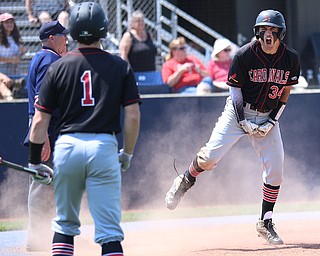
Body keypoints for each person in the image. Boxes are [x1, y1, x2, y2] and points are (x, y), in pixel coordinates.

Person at [165, 9, 300, 245]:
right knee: (209, 158)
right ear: (257, 32)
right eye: (263, 30)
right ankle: (186, 179)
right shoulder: (244, 54)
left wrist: (272, 120)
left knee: (276, 168)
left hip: (267, 114)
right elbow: (235, 91)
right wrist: (242, 120)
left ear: (281, 34)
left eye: (273, 31)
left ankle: (265, 221)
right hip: (238, 110)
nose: (268, 36)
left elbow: (286, 90)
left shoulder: (291, 58)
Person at [27, 2, 140, 255]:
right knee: (109, 231)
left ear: (74, 31)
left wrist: (35, 161)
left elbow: (39, 120)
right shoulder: (120, 66)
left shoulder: (57, 66)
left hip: (67, 147)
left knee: (65, 223)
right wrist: (127, 153)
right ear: (104, 30)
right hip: (104, 146)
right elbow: (132, 117)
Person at [24, 20, 69, 252]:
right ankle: (37, 238)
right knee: (43, 185)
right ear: (52, 37)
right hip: (47, 133)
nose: (66, 38)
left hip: (45, 131)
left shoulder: (41, 57)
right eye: (63, 35)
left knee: (46, 185)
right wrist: (45, 138)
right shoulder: (49, 59)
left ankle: (42, 236)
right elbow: (41, 102)